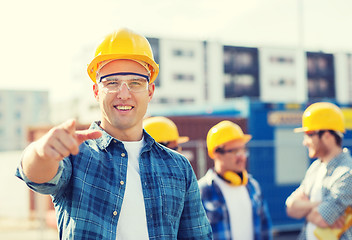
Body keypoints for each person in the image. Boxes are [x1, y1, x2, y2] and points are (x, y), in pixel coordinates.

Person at [15, 28, 212, 240]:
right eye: (112, 82)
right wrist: (41, 152)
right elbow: (37, 177)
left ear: (150, 91)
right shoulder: (75, 155)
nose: (124, 94)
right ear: (96, 91)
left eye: (135, 83)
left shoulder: (179, 168)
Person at [285, 102, 352, 239]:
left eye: (309, 134)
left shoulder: (350, 173)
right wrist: (319, 204)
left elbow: (321, 218)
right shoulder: (315, 168)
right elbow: (291, 208)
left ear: (327, 135)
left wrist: (305, 208)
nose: (305, 142)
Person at [198, 120, 273, 240]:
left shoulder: (253, 186)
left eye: (243, 150)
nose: (242, 156)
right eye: (234, 151)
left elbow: (265, 230)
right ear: (216, 153)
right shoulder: (201, 191)